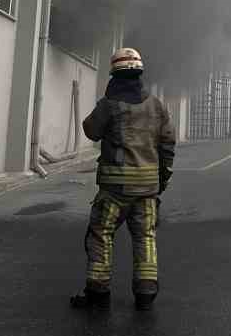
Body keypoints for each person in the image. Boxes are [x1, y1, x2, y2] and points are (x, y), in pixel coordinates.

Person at [71, 47, 175, 311]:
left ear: (113, 75)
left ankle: (97, 292)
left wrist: (103, 106)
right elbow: (167, 145)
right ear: (140, 73)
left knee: (101, 236)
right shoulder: (156, 105)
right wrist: (161, 180)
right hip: (147, 191)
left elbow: (91, 131)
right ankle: (146, 293)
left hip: (114, 192)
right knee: (145, 238)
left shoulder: (109, 105)